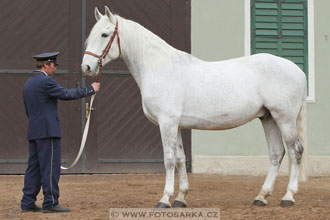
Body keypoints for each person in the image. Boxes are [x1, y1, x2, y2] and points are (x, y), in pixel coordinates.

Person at [21, 52, 100, 213]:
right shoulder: (46, 81)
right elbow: (66, 94)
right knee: (50, 168)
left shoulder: (28, 83)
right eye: (54, 65)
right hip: (47, 132)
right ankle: (50, 203)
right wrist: (89, 89)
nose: (55, 68)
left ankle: (27, 202)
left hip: (35, 131)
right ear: (46, 65)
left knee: (34, 169)